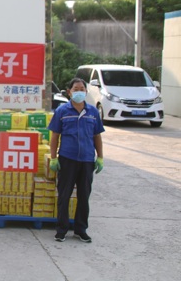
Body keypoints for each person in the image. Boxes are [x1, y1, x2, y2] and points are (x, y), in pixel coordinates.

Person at [48, 77, 105, 243]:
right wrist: (53, 157)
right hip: (68, 159)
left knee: (84, 196)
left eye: (82, 89)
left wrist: (100, 157)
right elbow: (55, 136)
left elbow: (97, 136)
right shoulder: (62, 111)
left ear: (86, 92)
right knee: (64, 195)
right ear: (69, 92)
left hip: (87, 160)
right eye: (76, 89)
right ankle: (61, 230)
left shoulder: (92, 112)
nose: (79, 92)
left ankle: (81, 230)